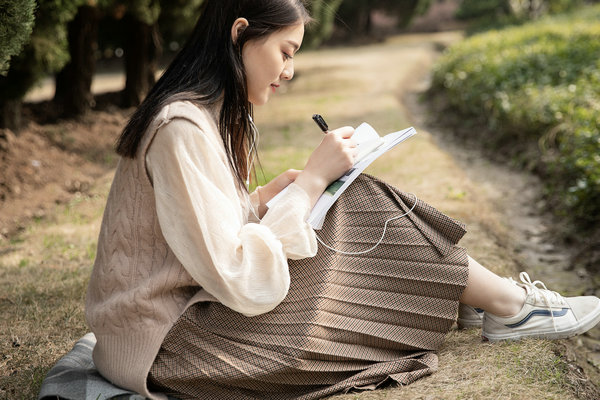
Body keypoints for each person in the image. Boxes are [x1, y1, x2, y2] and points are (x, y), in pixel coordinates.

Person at [84, 1, 600, 399]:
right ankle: (504, 305)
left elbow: (199, 236)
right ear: (240, 33)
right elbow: (240, 277)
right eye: (285, 52)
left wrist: (269, 196)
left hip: (186, 325)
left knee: (345, 198)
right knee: (351, 206)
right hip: (173, 347)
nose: (288, 71)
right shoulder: (182, 128)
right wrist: (310, 182)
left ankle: (491, 301)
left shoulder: (202, 117)